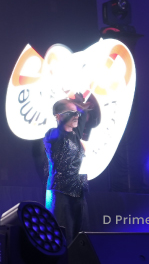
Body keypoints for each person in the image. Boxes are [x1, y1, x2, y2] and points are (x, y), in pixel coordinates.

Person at [44, 98, 91, 241]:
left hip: (78, 192)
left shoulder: (76, 135)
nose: (76, 116)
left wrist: (78, 107)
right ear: (58, 116)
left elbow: (87, 114)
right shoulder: (53, 135)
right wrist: (71, 111)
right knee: (63, 237)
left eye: (76, 113)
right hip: (60, 192)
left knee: (81, 238)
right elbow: (60, 130)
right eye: (71, 113)